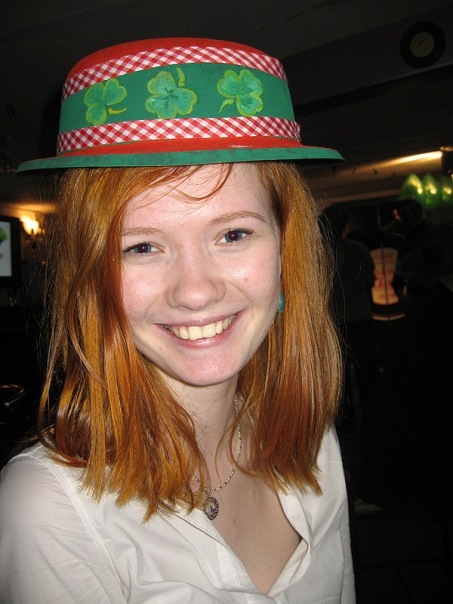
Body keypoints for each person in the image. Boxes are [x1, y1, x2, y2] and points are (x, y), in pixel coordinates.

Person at [0, 38, 355, 602]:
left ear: (286, 255)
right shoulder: (48, 507)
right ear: (94, 279)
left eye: (233, 234)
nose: (195, 292)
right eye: (142, 247)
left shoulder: (310, 441)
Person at [319, 205, 377, 433]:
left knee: (339, 376)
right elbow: (369, 282)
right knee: (366, 372)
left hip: (335, 321)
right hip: (360, 317)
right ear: (345, 226)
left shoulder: (319, 253)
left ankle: (346, 424)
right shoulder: (359, 250)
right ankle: (372, 418)